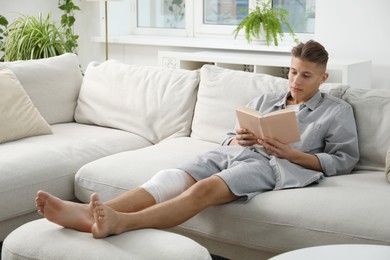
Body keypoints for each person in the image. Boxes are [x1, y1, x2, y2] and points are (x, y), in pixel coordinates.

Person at [35, 40, 359, 239]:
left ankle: (121, 222)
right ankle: (90, 214)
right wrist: (239, 140)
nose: (296, 80)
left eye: (306, 75)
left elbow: (343, 161)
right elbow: (230, 138)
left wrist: (291, 152)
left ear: (323, 77)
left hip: (277, 167)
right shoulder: (267, 100)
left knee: (203, 188)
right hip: (236, 155)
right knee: (171, 176)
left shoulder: (336, 111)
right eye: (292, 72)